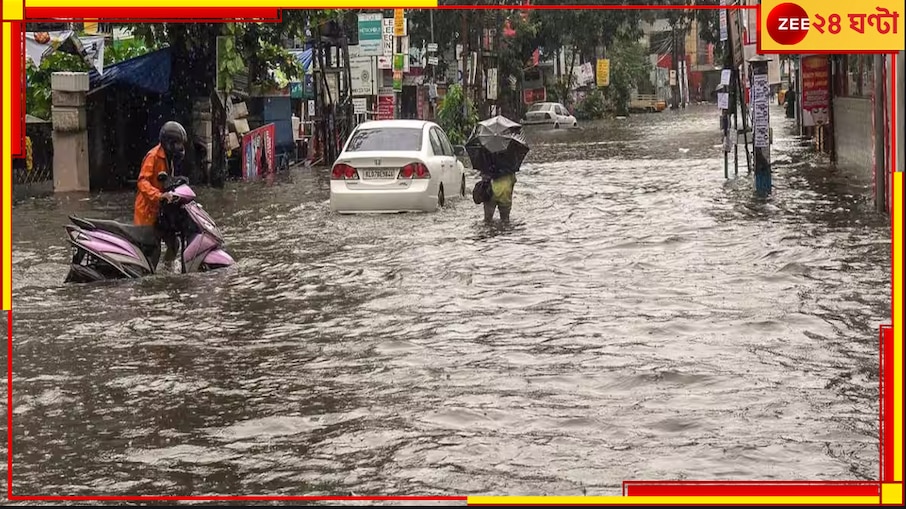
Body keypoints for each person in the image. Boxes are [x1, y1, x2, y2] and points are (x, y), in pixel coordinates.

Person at [133, 120, 187, 270]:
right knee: (153, 250)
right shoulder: (153, 156)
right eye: (178, 144)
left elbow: (166, 181)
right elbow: (142, 182)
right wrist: (158, 196)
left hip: (160, 212)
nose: (181, 148)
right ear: (169, 143)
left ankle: (167, 270)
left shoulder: (169, 158)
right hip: (147, 213)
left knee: (174, 243)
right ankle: (149, 279)